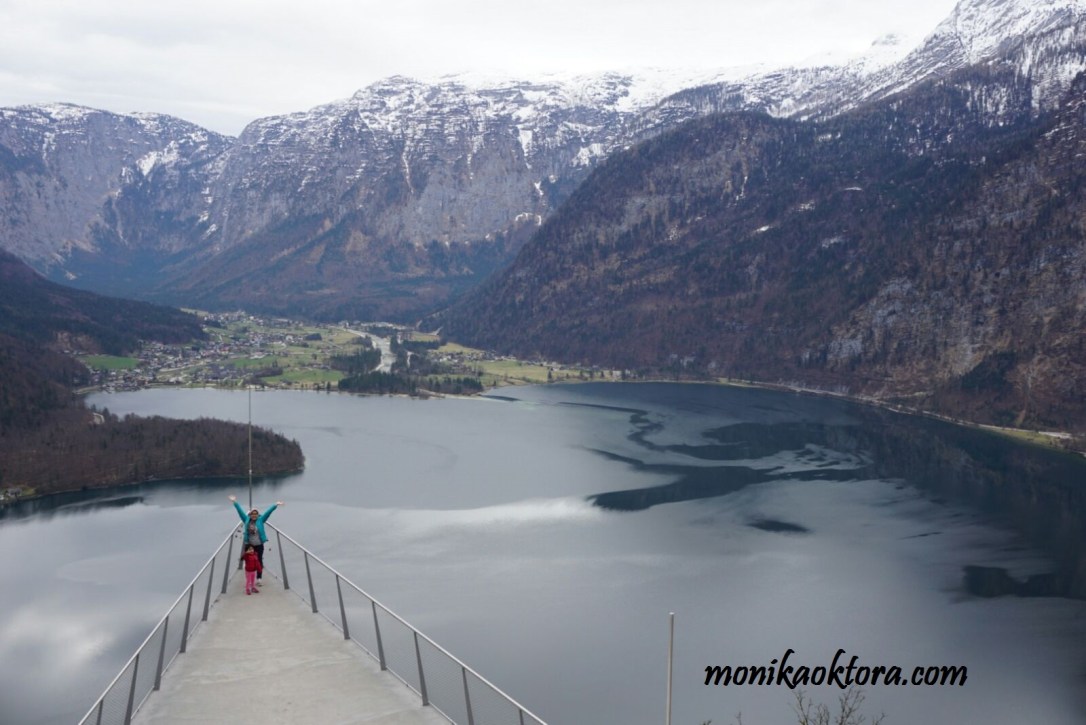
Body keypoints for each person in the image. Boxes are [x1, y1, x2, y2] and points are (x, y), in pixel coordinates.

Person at [229, 495, 282, 586]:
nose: (254, 515)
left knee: (259, 560)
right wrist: (235, 502)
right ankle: (250, 577)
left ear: (258, 515)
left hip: (259, 544)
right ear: (250, 515)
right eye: (252, 514)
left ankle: (259, 578)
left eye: (255, 514)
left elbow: (268, 512)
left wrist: (275, 505)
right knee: (249, 561)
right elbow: (240, 512)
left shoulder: (261, 520)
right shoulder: (246, 520)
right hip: (249, 545)